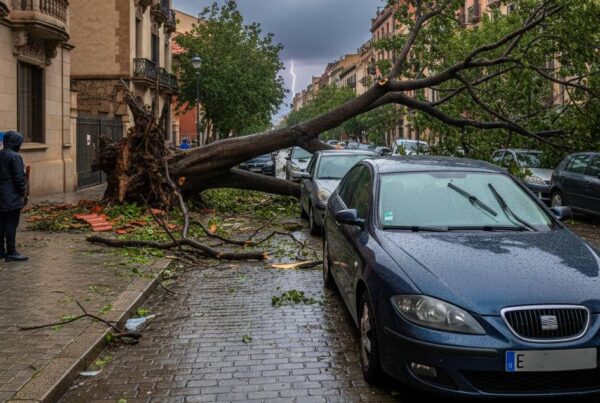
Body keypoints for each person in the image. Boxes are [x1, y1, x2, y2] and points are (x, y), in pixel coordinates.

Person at [0, 131, 28, 262]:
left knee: (1, 223)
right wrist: (22, 192)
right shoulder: (15, 157)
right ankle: (11, 251)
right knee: (11, 223)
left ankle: (1, 251)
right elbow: (19, 178)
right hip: (10, 195)